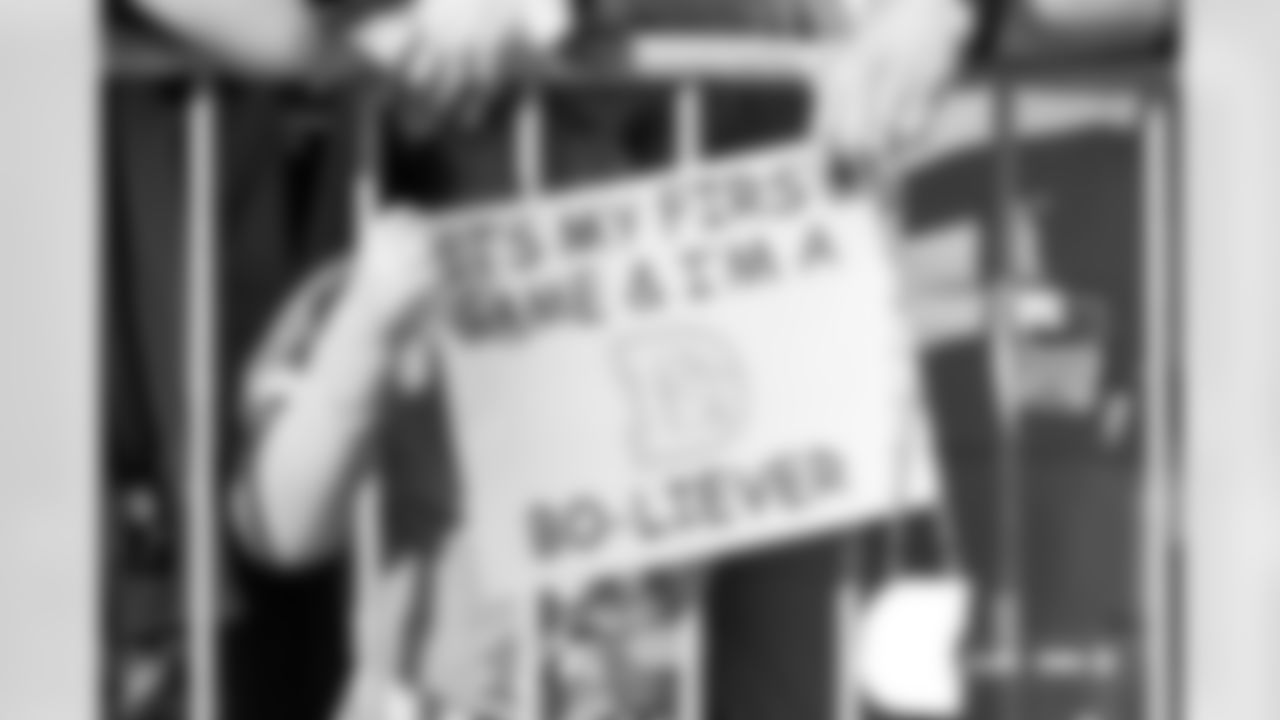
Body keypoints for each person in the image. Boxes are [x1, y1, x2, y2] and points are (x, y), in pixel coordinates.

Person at [228, 1, 990, 719]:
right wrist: (367, 326)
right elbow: (278, 524)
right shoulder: (392, 219)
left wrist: (931, 14)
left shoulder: (713, 201)